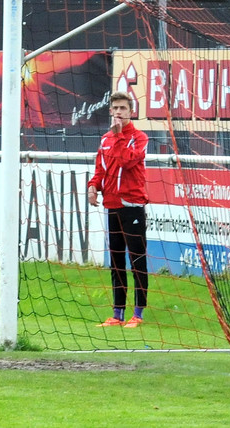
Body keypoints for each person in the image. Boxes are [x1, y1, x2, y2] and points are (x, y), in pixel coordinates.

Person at [87, 91, 148, 328]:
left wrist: (120, 135)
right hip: (111, 205)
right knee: (116, 261)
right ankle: (117, 313)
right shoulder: (105, 139)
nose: (119, 112)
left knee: (137, 260)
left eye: (123, 108)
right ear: (110, 111)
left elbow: (127, 161)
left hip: (132, 206)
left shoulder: (139, 138)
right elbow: (100, 170)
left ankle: (138, 314)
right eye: (116, 108)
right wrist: (93, 186)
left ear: (131, 112)